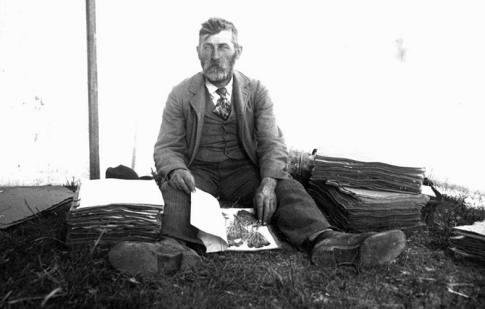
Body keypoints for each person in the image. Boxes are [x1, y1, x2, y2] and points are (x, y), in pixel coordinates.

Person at [108, 17, 406, 275]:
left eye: (223, 47)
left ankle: (328, 241)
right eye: (208, 47)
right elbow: (167, 146)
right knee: (175, 187)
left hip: (244, 172)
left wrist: (267, 182)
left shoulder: (257, 91)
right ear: (198, 52)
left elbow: (272, 143)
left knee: (285, 185)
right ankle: (170, 251)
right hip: (200, 174)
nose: (215, 56)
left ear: (237, 52)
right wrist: (176, 169)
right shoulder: (180, 94)